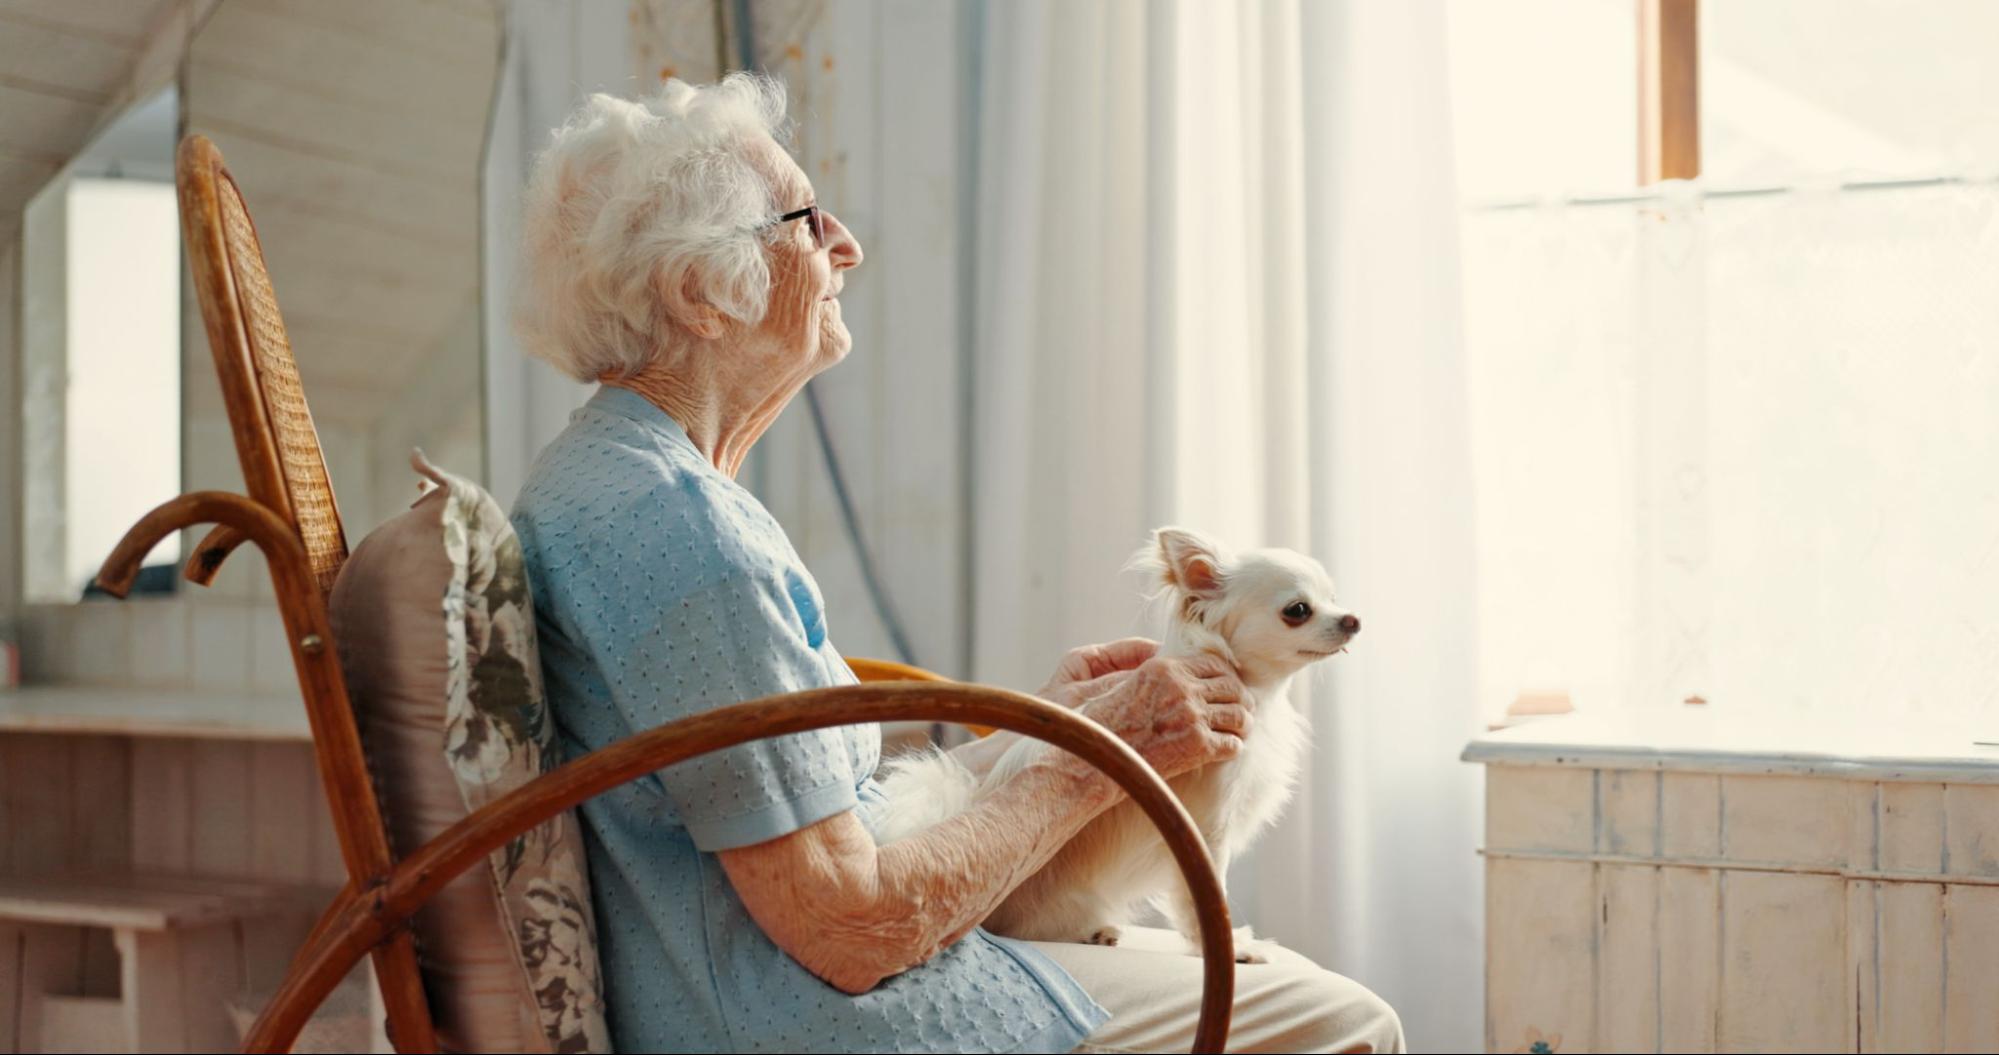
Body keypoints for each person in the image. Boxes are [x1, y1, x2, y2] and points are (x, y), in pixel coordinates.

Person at [508, 73, 1403, 1053]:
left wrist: (1061, 727)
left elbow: (815, 816)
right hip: (804, 1016)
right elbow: (849, 926)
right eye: (808, 220)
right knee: (1349, 1018)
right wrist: (1097, 761)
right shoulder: (680, 533)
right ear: (698, 293)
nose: (846, 245)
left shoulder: (611, 481)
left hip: (747, 975)